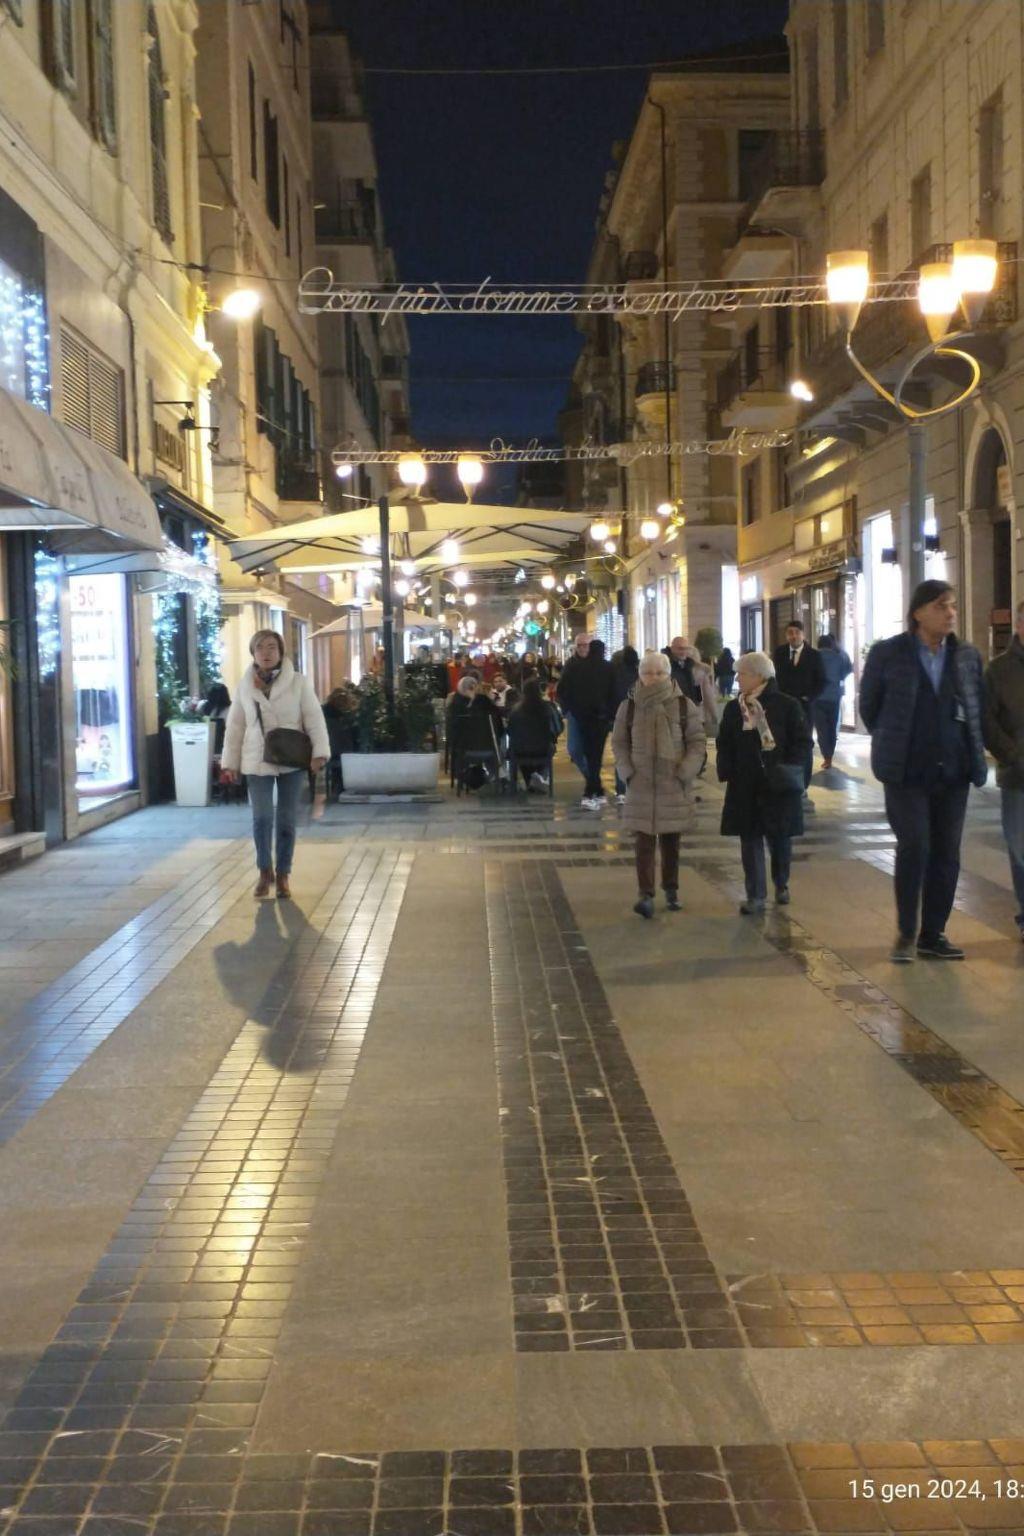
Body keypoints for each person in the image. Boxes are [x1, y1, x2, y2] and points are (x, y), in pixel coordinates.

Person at [860, 579, 987, 964]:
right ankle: (906, 933)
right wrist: (893, 738)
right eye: (941, 606)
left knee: (947, 853)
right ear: (918, 612)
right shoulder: (888, 653)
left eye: (952, 605)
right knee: (915, 846)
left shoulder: (966, 655)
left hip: (954, 771)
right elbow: (870, 708)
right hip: (906, 771)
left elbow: (976, 705)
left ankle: (933, 935)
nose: (950, 613)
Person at [221, 630, 329, 900]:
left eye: (272, 647)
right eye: (260, 648)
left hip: (291, 757)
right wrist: (230, 762)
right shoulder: (245, 685)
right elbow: (235, 726)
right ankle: (264, 871)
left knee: (286, 819)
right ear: (253, 653)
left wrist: (319, 752)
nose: (266, 653)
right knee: (261, 818)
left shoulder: (298, 683)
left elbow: (314, 718)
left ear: (280, 652)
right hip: (256, 758)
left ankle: (283, 874)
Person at [612, 650, 705, 919]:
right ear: (640, 675)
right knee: (643, 842)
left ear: (668, 674)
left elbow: (697, 742)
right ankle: (646, 894)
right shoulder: (629, 706)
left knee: (671, 841)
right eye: (648, 673)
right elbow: (619, 742)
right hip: (640, 782)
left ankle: (671, 888)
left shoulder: (684, 705)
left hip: (673, 782)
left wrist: (685, 771)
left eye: (659, 673)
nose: (653, 678)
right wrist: (627, 772)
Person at [717, 651, 810, 913]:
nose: (737, 678)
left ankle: (781, 882)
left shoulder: (787, 705)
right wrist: (727, 769)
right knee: (750, 839)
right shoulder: (734, 708)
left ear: (759, 676)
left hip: (777, 783)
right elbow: (724, 741)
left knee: (779, 837)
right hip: (744, 783)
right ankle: (755, 896)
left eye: (742, 674)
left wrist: (789, 767)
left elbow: (802, 742)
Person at [983, 598, 1024, 941]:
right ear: (1020, 626)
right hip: (1018, 776)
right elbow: (988, 722)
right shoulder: (998, 670)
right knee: (1020, 848)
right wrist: (1012, 756)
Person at [557, 637, 616, 808]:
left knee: (590, 755)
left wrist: (572, 709)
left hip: (583, 717)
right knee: (594, 755)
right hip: (600, 719)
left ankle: (593, 790)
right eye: (580, 645)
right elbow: (613, 693)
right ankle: (594, 789)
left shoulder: (578, 667)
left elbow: (564, 690)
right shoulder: (608, 668)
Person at [772, 620, 825, 802]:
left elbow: (822, 681)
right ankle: (785, 779)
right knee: (783, 742)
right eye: (790, 633)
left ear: (803, 634)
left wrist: (809, 697)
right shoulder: (779, 653)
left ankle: (803, 783)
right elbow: (774, 677)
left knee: (804, 744)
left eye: (796, 632)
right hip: (782, 708)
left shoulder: (814, 655)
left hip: (804, 708)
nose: (793, 636)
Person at [508, 678, 563, 790]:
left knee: (518, 750)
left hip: (520, 750)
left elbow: (510, 730)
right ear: (539, 691)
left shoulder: (516, 710)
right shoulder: (548, 708)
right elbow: (557, 728)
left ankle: (529, 779)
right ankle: (541, 775)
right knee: (551, 748)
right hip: (543, 748)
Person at [557, 631, 597, 782]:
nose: (582, 648)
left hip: (595, 714)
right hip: (575, 713)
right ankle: (590, 777)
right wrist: (566, 709)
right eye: (579, 645)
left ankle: (593, 781)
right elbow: (562, 689)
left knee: (593, 749)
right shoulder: (570, 665)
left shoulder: (598, 664)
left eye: (585, 645)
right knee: (574, 749)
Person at [813, 634, 854, 770]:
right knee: (832, 727)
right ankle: (829, 756)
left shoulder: (815, 656)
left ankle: (826, 756)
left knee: (822, 729)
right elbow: (848, 670)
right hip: (835, 696)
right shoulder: (840, 656)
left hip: (818, 697)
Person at [611, 645, 640, 802]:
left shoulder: (613, 674)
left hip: (619, 717)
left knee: (622, 752)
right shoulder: (639, 673)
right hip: (638, 716)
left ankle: (621, 789)